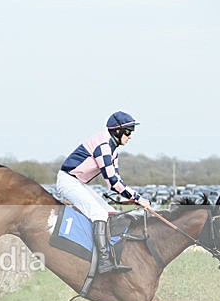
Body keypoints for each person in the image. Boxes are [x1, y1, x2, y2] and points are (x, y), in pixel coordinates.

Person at [57, 111, 151, 274]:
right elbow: (113, 182)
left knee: (110, 212)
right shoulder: (104, 146)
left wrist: (132, 199)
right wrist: (138, 197)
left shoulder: (113, 149)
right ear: (117, 131)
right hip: (68, 181)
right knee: (99, 214)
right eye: (128, 132)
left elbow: (114, 181)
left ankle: (112, 256)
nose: (130, 137)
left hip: (78, 182)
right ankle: (103, 261)